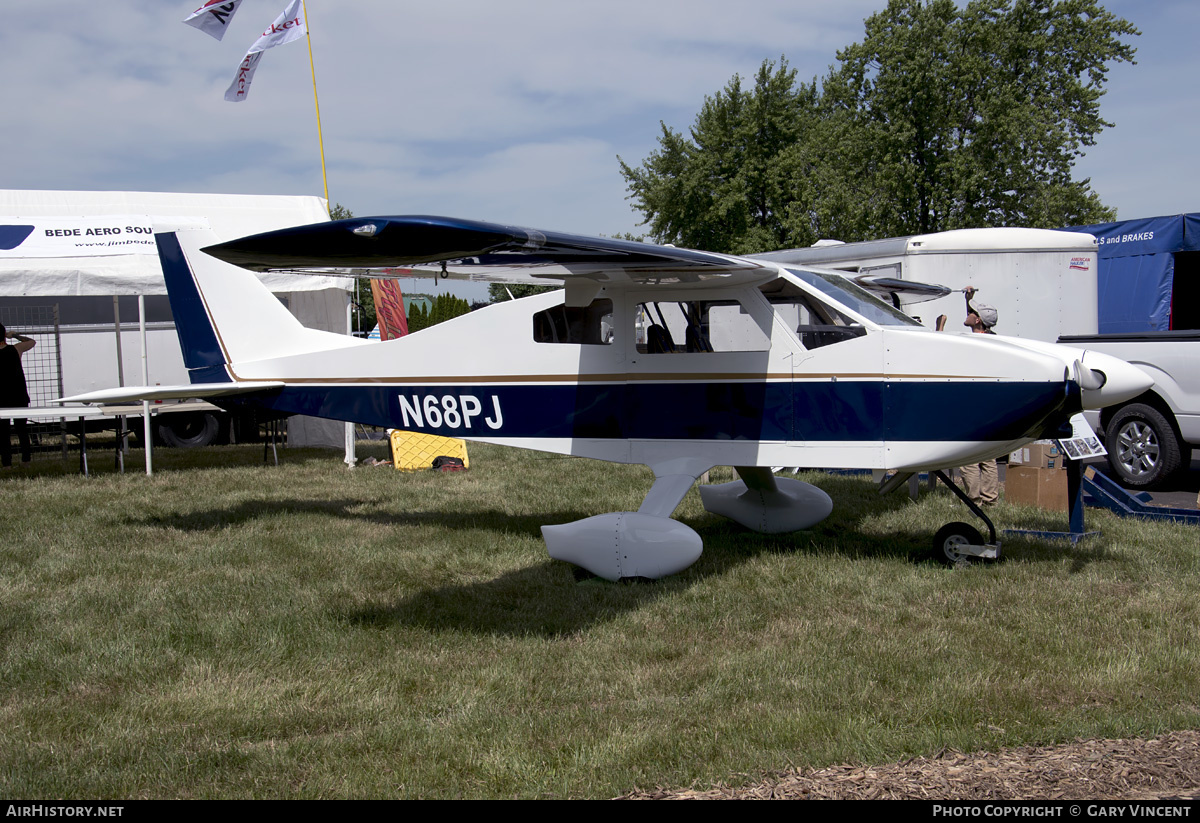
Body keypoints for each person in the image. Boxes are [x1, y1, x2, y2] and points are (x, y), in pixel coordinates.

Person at [936, 288, 999, 505]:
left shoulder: (972, 343)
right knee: (987, 456)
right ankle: (991, 499)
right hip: (989, 406)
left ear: (978, 320)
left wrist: (940, 328)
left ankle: (974, 500)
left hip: (971, 406)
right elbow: (975, 322)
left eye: (972, 312)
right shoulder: (992, 340)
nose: (969, 313)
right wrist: (968, 300)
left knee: (969, 457)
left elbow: (941, 354)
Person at [0, 323, 35, 469]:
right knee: (22, 430)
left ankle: (7, 464)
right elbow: (31, 342)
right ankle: (26, 461)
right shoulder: (15, 349)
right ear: (3, 334)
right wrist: (14, 335)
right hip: (19, 396)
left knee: (3, 433)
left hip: (1, 399)